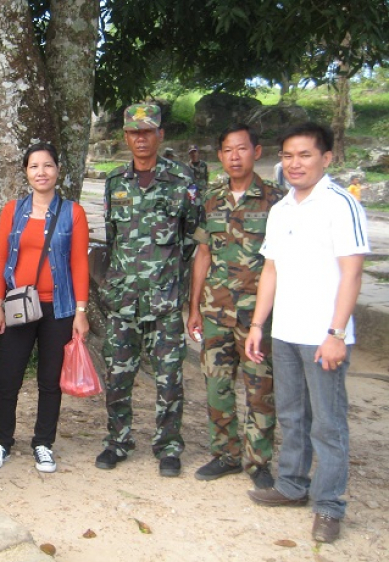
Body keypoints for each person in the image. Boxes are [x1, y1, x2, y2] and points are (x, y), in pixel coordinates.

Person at [245, 122, 369, 543]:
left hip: (324, 335)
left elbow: (352, 273)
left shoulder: (340, 204)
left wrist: (336, 332)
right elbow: (271, 270)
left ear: (326, 158)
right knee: (292, 415)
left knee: (328, 424)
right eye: (288, 156)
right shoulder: (282, 209)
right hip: (286, 331)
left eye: (305, 155)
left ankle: (329, 505)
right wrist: (259, 324)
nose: (294, 164)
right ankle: (293, 484)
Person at [96, 104, 199, 477]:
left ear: (160, 135)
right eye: (133, 132)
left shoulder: (182, 181)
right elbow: (112, 239)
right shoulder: (114, 182)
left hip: (165, 301)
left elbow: (191, 240)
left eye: (148, 131)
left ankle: (168, 446)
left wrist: (171, 281)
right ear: (125, 137)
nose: (141, 138)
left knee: (169, 377)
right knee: (117, 375)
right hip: (123, 300)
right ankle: (118, 440)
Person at [187, 124, 285, 489]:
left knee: (260, 387)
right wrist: (194, 307)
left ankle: (258, 461)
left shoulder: (276, 199)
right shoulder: (211, 198)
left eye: (241, 149)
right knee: (217, 387)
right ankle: (225, 454)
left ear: (256, 152)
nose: (234, 157)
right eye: (227, 150)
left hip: (258, 315)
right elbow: (203, 253)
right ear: (220, 156)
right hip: (216, 312)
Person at [0, 142, 90, 473]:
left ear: (58, 170)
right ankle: (1, 441)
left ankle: (43, 442)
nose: (41, 172)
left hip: (58, 308)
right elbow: (1, 259)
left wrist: (81, 312)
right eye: (34, 166)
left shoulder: (73, 212)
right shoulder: (13, 210)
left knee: (49, 380)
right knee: (8, 377)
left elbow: (79, 265)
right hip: (18, 305)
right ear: (26, 172)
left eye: (47, 165)